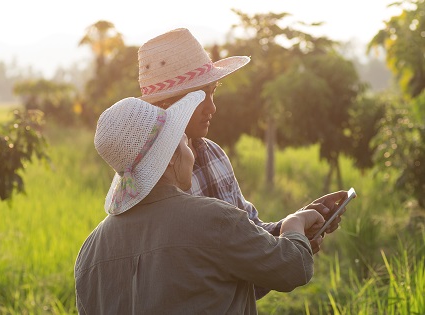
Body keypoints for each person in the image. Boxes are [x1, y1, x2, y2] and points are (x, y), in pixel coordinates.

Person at [75, 92, 345, 314]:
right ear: (169, 157)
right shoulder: (213, 219)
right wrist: (295, 224)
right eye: (182, 141)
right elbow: (291, 268)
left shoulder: (90, 253)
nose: (191, 150)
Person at [136, 27, 348, 299]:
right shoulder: (146, 175)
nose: (212, 108)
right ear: (169, 105)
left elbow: (249, 231)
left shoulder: (213, 155)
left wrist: (295, 226)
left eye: (213, 93)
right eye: (202, 97)